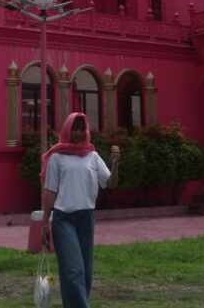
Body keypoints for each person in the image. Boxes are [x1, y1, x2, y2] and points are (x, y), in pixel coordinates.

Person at [40, 112, 120, 308]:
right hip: (64, 219)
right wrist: (44, 223)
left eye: (80, 129)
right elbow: (50, 191)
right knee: (74, 270)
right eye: (73, 128)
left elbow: (111, 183)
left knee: (85, 274)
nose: (77, 133)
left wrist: (116, 164)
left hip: (86, 218)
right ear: (67, 130)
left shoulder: (92, 155)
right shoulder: (57, 157)